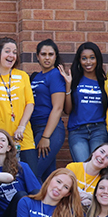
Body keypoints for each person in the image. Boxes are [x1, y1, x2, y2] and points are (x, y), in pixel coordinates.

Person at [0, 37, 37, 173]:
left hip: (22, 136)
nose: (11, 55)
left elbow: (30, 103)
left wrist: (21, 127)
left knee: (29, 176)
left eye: (14, 52)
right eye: (7, 51)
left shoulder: (23, 76)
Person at [30, 39, 70, 181]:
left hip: (50, 130)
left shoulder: (55, 75)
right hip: (35, 128)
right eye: (43, 54)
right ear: (38, 56)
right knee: (47, 176)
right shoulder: (36, 77)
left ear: (55, 56)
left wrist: (46, 137)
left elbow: (58, 108)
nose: (47, 57)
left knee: (33, 173)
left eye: (51, 54)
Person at [65, 41, 108, 165]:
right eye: (84, 58)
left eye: (92, 58)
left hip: (99, 130)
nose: (88, 62)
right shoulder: (74, 80)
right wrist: (68, 87)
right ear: (79, 61)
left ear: (97, 59)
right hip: (78, 131)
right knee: (84, 168)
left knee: (99, 166)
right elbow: (67, 110)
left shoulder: (104, 81)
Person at [66, 142, 108, 207]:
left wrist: (91, 198)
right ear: (93, 152)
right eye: (102, 152)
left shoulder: (104, 180)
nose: (102, 157)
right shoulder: (72, 168)